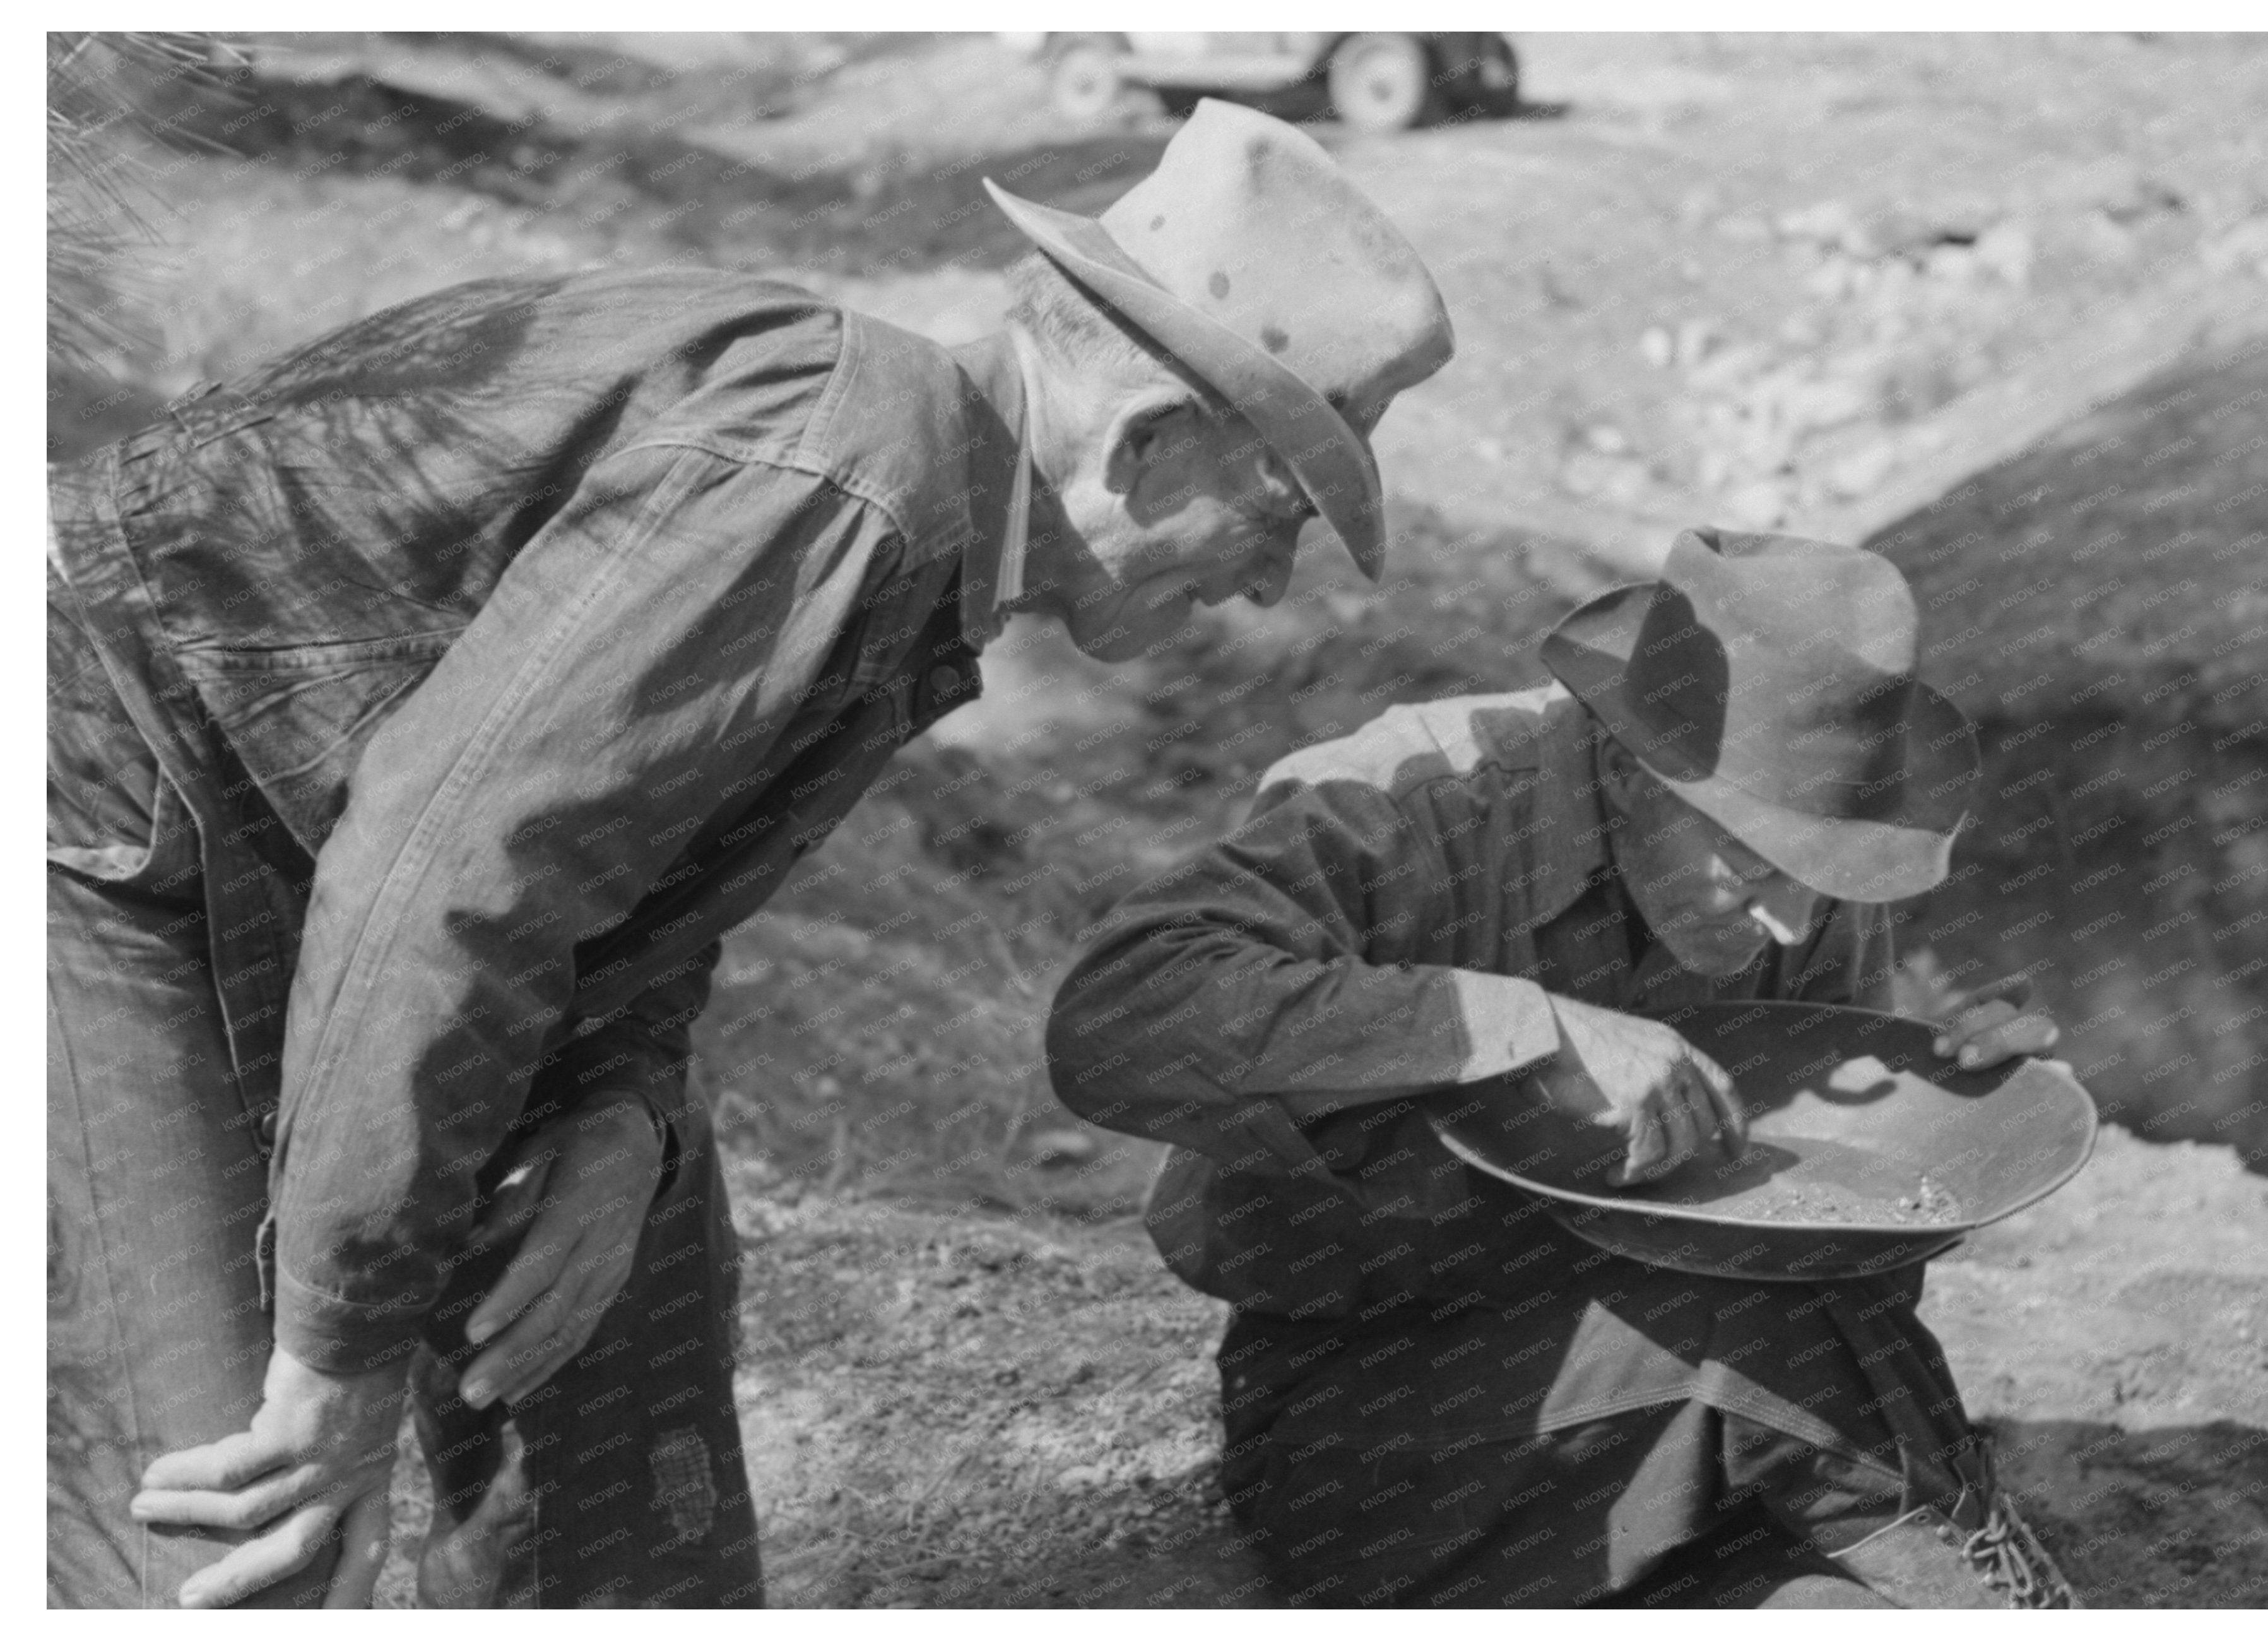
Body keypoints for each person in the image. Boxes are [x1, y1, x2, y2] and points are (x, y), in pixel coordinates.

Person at [45, 99, 1452, 1609]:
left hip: (296, 829)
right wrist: (336, 1346)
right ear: (1153, 439)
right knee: (240, 1525)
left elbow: (627, 881)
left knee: (617, 1277)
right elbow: (447, 879)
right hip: (98, 793)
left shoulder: (918, 516)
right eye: (1281, 506)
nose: (1267, 579)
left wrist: (624, 1107)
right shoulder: (851, 479)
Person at [1044, 528, 2083, 1608]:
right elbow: (1117, 1019)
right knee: (1758, 1333)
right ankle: (2000, 1586)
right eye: (1758, 864)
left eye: (1821, 876)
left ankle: (1943, 1553)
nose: (1793, 915)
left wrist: (1945, 1081)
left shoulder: (1796, 892)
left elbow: (1829, 1220)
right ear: (1634, 772)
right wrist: (1512, 1026)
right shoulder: (1409, 806)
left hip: (1681, 1415)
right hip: (1371, 1415)